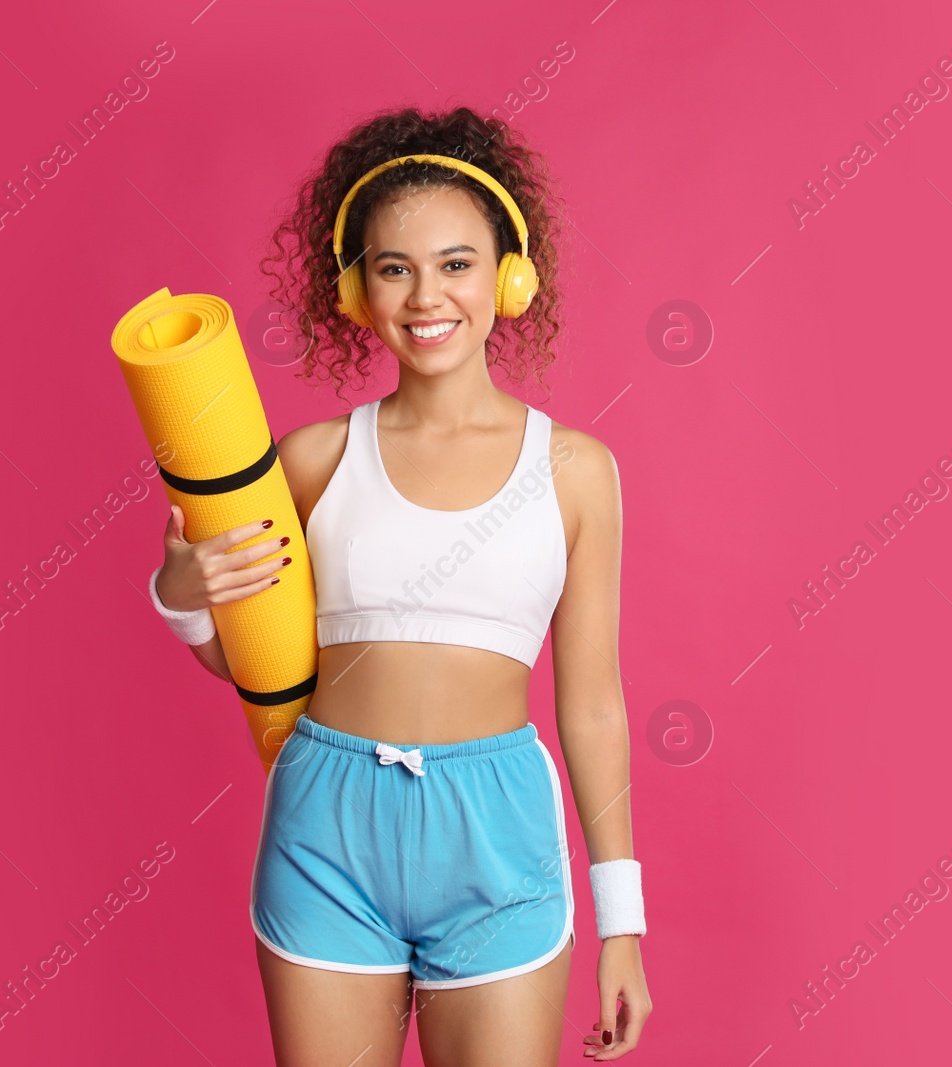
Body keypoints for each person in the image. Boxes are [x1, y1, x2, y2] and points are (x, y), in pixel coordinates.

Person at [148, 105, 652, 1065]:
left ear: (510, 276)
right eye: (394, 267)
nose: (428, 295)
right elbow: (249, 658)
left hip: (498, 835)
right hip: (326, 829)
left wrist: (621, 922)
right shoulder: (313, 459)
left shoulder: (578, 470)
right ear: (355, 290)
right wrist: (179, 592)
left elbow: (592, 709)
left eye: (458, 262)